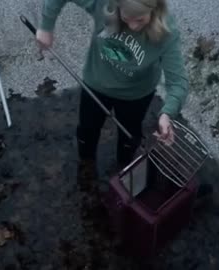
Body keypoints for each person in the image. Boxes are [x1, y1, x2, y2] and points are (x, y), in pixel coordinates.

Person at [36, 0, 189, 179]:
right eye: (126, 17)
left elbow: (178, 83)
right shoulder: (103, 4)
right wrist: (46, 27)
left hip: (136, 96)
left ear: (155, 9)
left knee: (129, 138)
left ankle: (123, 168)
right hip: (96, 86)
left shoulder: (167, 32)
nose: (133, 26)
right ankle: (86, 167)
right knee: (87, 131)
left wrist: (166, 114)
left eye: (140, 19)